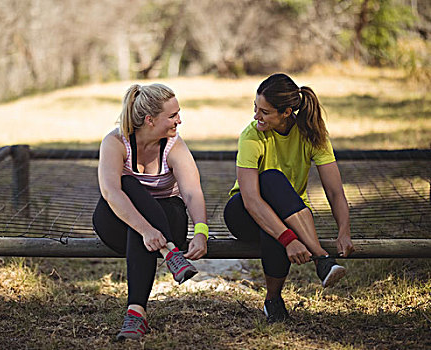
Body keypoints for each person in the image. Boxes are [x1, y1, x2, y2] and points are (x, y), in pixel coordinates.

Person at [223, 73, 355, 323]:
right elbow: (251, 200)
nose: (256, 116)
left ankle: (273, 301)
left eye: (265, 112)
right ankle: (321, 259)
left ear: (286, 112)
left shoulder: (313, 134)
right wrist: (289, 240)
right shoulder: (251, 135)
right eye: (255, 108)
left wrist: (344, 231)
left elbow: (335, 191)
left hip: (286, 213)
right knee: (270, 179)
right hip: (243, 212)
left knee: (276, 223)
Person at [92, 83, 209, 341]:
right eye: (172, 115)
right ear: (150, 120)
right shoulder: (115, 142)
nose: (179, 119)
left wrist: (201, 231)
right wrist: (147, 230)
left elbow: (191, 192)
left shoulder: (174, 145)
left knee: (141, 230)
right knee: (126, 184)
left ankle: (136, 314)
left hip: (169, 221)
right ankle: (169, 253)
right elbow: (111, 193)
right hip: (121, 224)